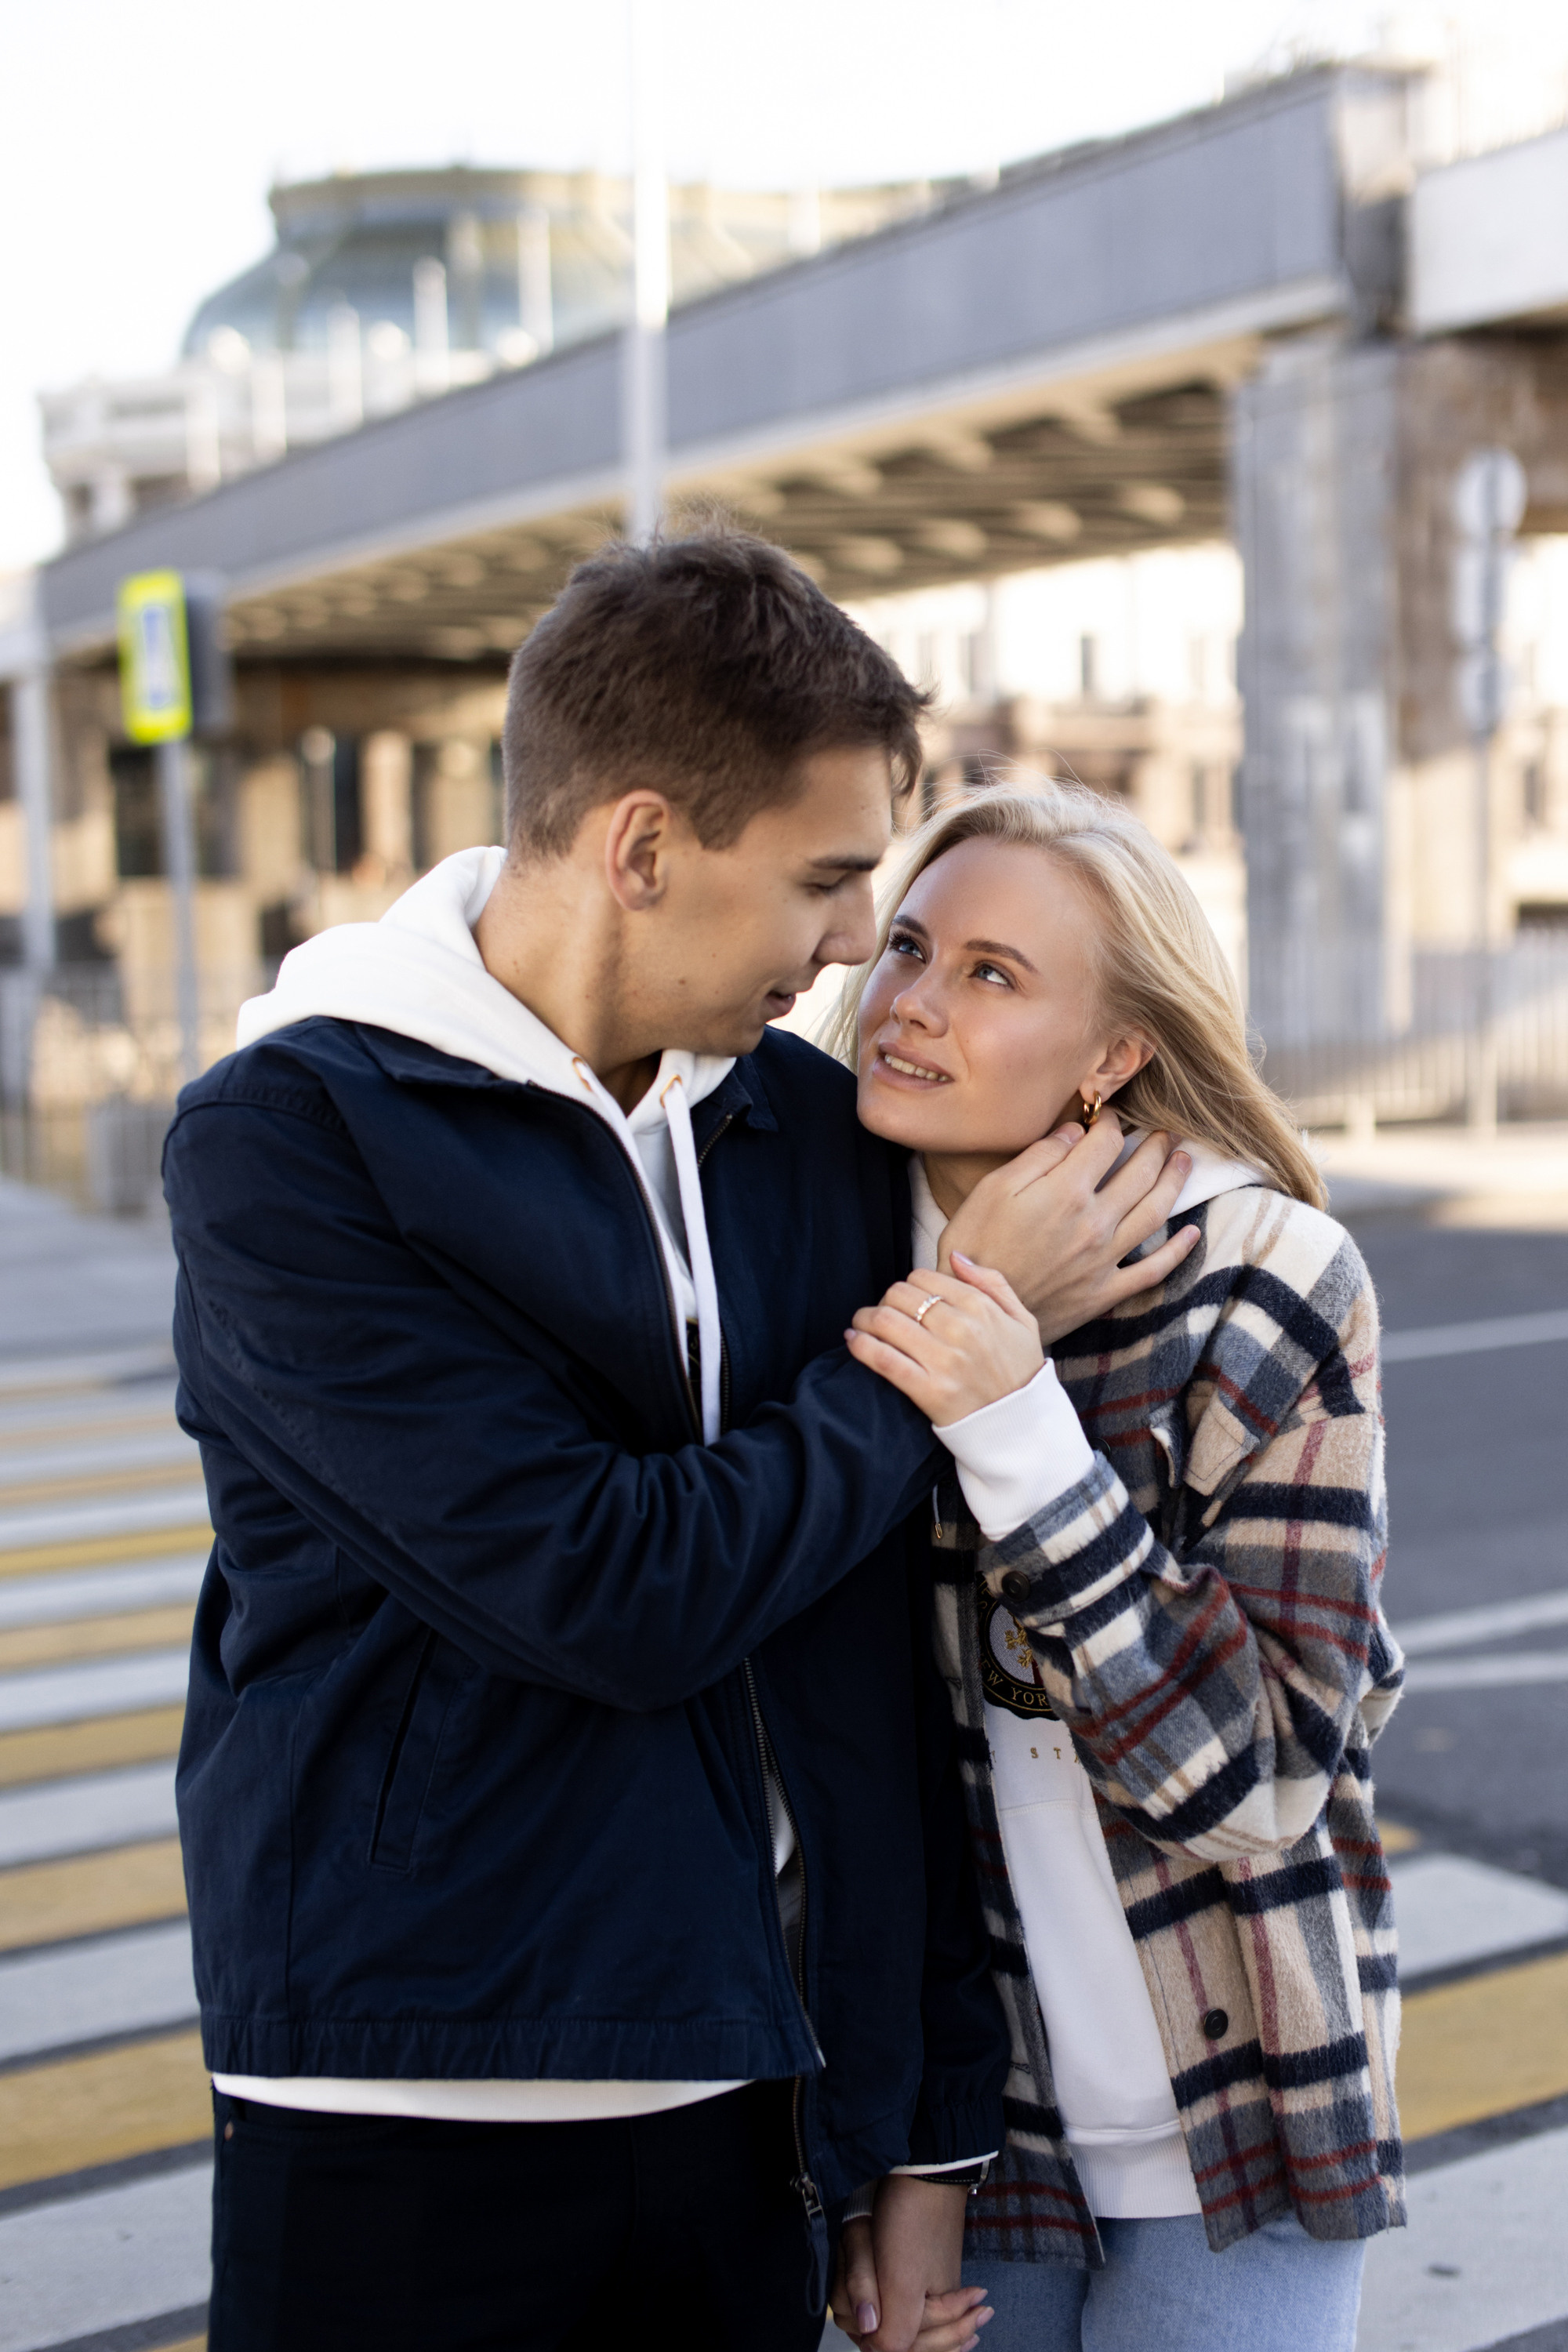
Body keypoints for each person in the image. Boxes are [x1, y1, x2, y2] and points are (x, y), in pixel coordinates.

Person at [162, 534, 1200, 2352]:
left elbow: (878, 1681)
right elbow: (602, 1586)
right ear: (642, 848)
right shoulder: (292, 1141)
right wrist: (950, 1331)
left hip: (748, 2106)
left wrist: (923, 2138)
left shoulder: (802, 1129)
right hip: (409, 2105)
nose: (843, 959)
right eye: (823, 887)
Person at [826, 785, 1405, 2352]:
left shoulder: (1262, 1282)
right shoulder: (809, 1269)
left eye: (992, 974)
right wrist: (889, 2152)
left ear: (1111, 1057)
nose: (913, 1005)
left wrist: (1010, 1418)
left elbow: (1260, 1778)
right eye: (904, 947)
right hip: (960, 2137)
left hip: (1242, 2115)